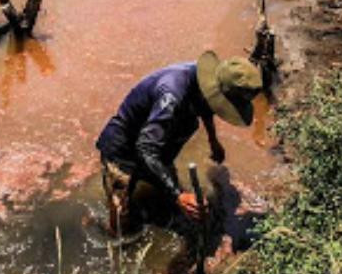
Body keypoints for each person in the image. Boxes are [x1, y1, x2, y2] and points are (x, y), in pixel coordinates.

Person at [95, 51, 263, 233]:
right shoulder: (172, 94)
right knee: (121, 219)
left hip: (159, 143)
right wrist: (179, 196)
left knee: (166, 203)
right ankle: (109, 233)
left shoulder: (206, 84)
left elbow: (207, 107)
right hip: (123, 149)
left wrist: (213, 140)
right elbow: (146, 148)